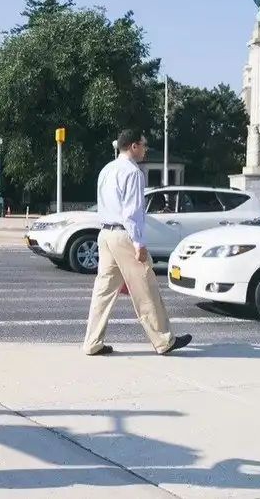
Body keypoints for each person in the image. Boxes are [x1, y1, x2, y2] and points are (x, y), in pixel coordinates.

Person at [83, 128, 192, 356]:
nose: (145, 149)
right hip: (124, 235)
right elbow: (132, 212)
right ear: (133, 146)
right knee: (145, 287)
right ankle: (164, 340)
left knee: (103, 291)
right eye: (143, 145)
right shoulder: (133, 172)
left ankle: (92, 342)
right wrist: (138, 243)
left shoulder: (107, 169)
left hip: (105, 233)